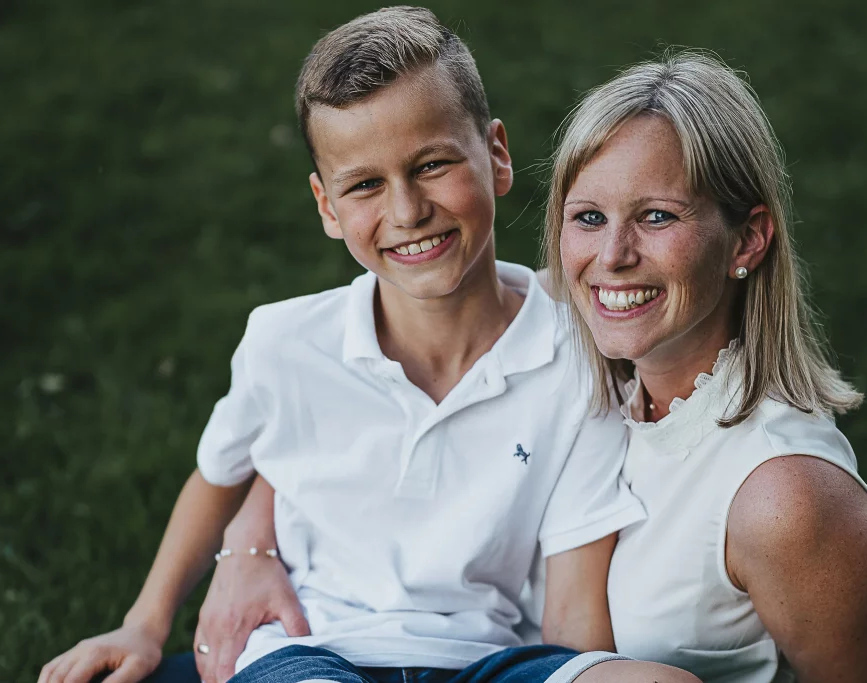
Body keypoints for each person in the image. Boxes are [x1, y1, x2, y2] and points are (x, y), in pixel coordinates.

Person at [37, 8, 701, 683]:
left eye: (432, 164)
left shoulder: (578, 357)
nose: (407, 211)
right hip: (311, 650)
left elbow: (573, 601)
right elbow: (216, 477)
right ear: (327, 205)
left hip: (484, 660)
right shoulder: (285, 342)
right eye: (365, 185)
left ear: (496, 155)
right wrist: (145, 625)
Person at [211, 51, 867, 682]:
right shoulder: (578, 331)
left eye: (657, 217)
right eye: (589, 217)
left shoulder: (786, 497)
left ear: (747, 238)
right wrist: (249, 541)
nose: (612, 258)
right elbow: (347, 401)